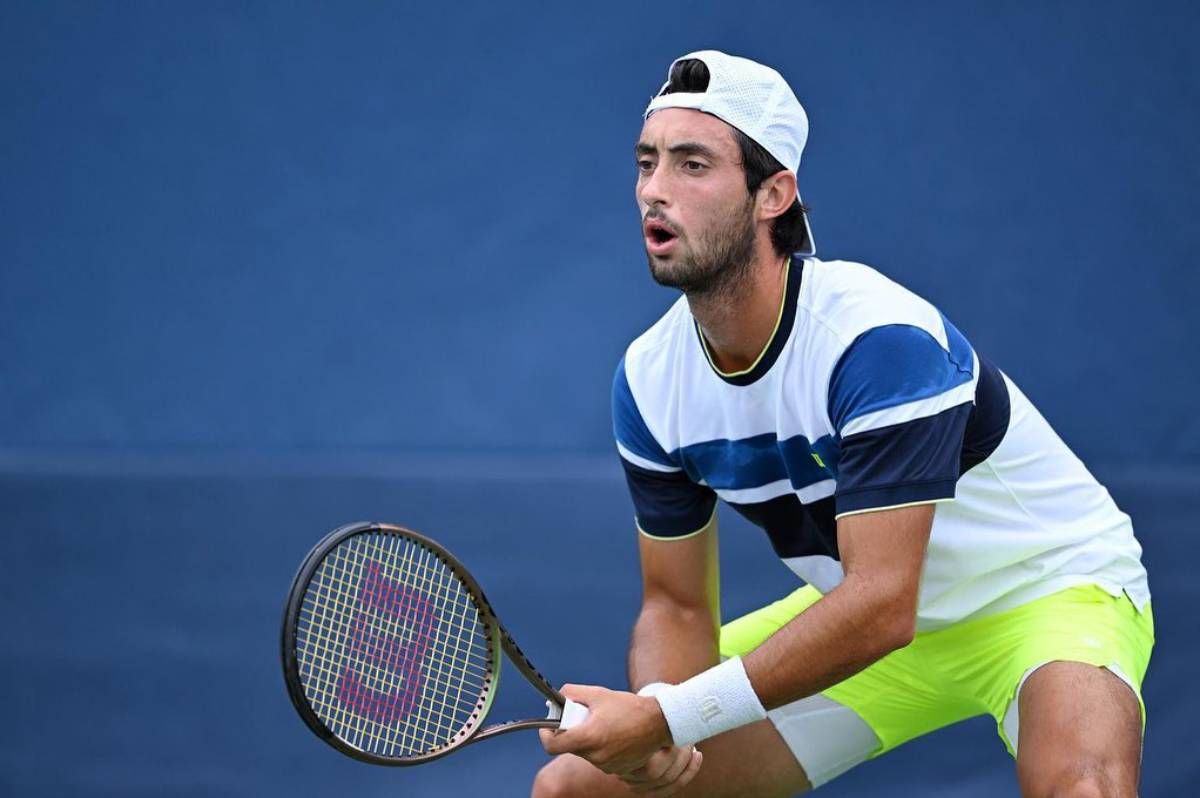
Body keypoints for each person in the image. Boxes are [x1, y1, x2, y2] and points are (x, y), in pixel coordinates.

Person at [532, 50, 1153, 798]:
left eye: (693, 166)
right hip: (874, 624)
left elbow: (883, 602)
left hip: (1043, 594)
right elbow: (677, 604)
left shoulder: (876, 343)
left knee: (1081, 790)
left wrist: (666, 718)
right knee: (577, 789)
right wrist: (665, 729)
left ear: (773, 195)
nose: (654, 192)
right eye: (647, 163)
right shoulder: (648, 381)